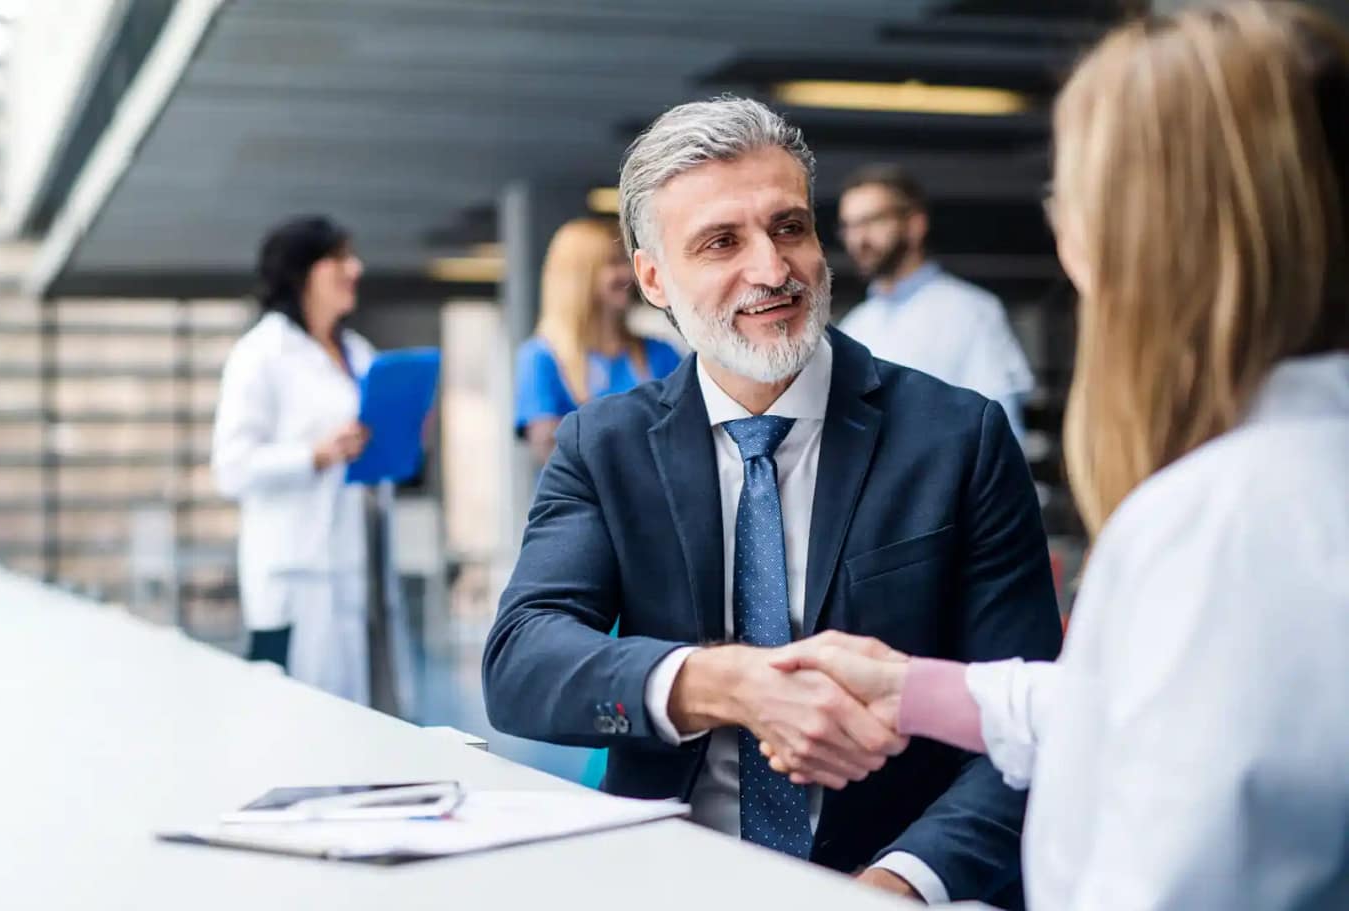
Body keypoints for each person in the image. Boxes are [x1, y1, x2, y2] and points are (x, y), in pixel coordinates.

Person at [765, 4, 1349, 908]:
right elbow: (1175, 716)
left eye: (1071, 195)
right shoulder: (1283, 483)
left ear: (1146, 234)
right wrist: (922, 691)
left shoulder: (1221, 524)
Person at [482, 96, 1063, 905]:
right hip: (669, 878)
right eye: (722, 241)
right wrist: (721, 683)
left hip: (892, 874)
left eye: (790, 227)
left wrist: (901, 882)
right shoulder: (603, 446)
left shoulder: (957, 439)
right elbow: (521, 663)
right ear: (653, 277)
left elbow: (1027, 721)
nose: (772, 268)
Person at [212, 215, 397, 707]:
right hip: (293, 571)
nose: (354, 268)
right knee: (293, 716)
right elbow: (231, 467)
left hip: (353, 565)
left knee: (356, 716)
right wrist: (314, 454)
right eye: (338, 259)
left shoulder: (359, 353)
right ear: (302, 274)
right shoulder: (260, 354)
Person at [836, 165, 1035, 442]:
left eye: (873, 221)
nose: (860, 238)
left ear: (915, 225)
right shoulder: (854, 326)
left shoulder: (972, 312)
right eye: (850, 226)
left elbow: (1003, 432)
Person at [515, 217, 683, 462]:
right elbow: (551, 450)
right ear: (580, 277)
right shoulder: (541, 357)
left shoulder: (660, 352)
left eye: (626, 261)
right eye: (613, 263)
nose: (628, 272)